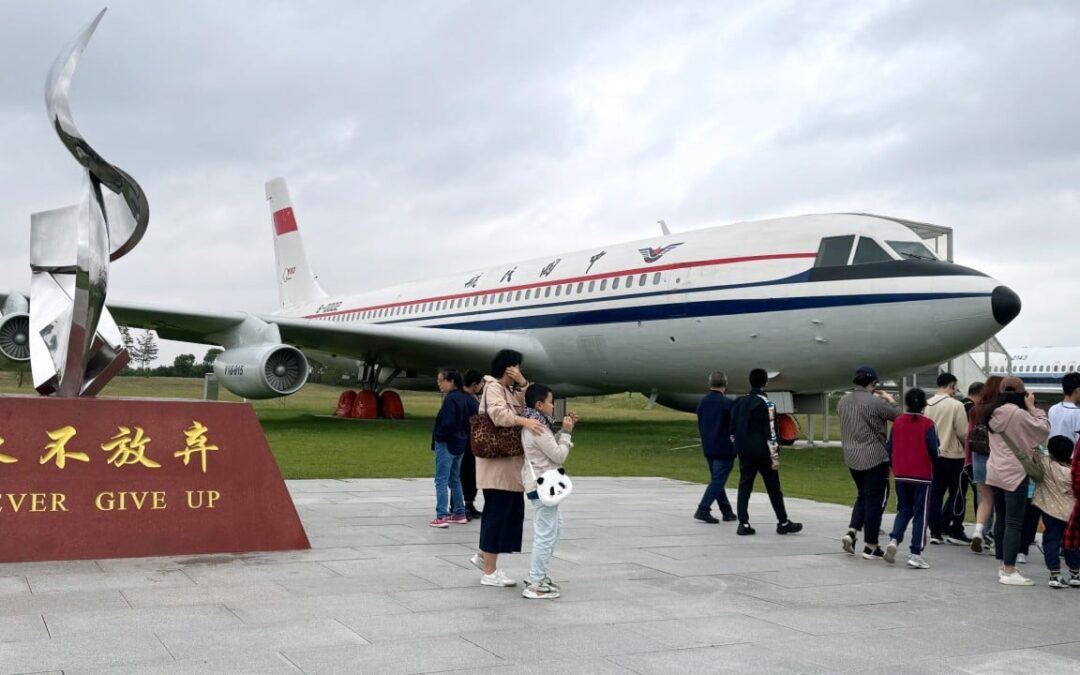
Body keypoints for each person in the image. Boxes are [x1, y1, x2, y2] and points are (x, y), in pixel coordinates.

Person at [471, 349, 544, 587]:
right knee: (497, 514)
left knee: (507, 514)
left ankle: (484, 557)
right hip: (497, 465)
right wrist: (524, 421)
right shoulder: (493, 388)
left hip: (509, 465)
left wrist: (523, 384)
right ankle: (489, 571)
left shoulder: (508, 389)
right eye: (517, 367)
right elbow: (499, 415)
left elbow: (529, 406)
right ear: (508, 368)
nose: (519, 371)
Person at [986, 376, 1049, 586]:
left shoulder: (991, 412)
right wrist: (1034, 408)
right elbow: (1042, 430)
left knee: (1001, 520)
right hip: (1015, 473)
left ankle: (1002, 564)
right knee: (1014, 521)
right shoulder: (1019, 414)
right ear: (1021, 394)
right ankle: (1010, 570)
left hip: (995, 471)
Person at [520, 383, 577, 600]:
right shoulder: (538, 428)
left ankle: (539, 575)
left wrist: (564, 430)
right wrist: (568, 435)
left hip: (540, 484)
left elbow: (548, 448)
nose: (553, 406)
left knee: (553, 528)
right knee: (546, 534)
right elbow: (558, 455)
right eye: (551, 402)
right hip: (542, 485)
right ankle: (535, 581)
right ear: (539, 404)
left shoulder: (536, 424)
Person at [837, 365, 899, 559]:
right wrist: (891, 401)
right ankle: (871, 545)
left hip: (851, 455)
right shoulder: (874, 402)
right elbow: (899, 417)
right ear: (873, 382)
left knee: (862, 495)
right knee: (875, 500)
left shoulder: (843, 401)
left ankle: (852, 530)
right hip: (874, 456)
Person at [731, 368, 802, 536]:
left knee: (745, 486)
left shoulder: (739, 402)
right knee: (773, 487)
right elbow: (771, 432)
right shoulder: (767, 404)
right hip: (762, 452)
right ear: (765, 383)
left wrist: (738, 447)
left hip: (744, 451)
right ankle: (782, 521)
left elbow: (732, 430)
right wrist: (775, 455)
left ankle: (743, 522)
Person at [884, 388, 939, 569]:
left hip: (901, 472)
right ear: (924, 404)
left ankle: (894, 539)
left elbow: (890, 446)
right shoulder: (928, 424)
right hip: (922, 474)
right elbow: (934, 449)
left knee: (904, 510)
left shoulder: (898, 422)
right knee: (921, 514)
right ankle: (915, 553)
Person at [924, 373, 971, 546]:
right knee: (958, 494)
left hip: (934, 455)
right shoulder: (956, 405)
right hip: (953, 455)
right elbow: (962, 432)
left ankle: (935, 531)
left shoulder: (928, 404)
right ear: (951, 385)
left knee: (936, 494)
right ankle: (955, 528)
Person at [1033, 436, 1080, 588]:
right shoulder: (1072, 471)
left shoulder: (1046, 463)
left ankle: (1055, 574)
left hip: (1050, 512)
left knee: (1051, 541)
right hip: (1071, 514)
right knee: (1071, 544)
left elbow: (1035, 450)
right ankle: (1075, 573)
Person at [430, 369, 472, 527]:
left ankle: (441, 515)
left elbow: (448, 422)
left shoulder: (450, 399)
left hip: (447, 443)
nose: (439, 384)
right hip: (460, 443)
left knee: (441, 479)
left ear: (451, 381)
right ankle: (459, 512)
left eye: (441, 380)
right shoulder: (464, 397)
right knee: (455, 479)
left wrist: (439, 437)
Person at [694, 371, 737, 524]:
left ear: (709, 383)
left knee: (717, 480)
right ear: (726, 384)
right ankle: (703, 509)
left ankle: (727, 512)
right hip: (724, 448)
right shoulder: (728, 404)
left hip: (709, 447)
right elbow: (734, 427)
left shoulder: (703, 402)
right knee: (718, 481)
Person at [968, 376, 1003, 553]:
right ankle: (995, 536)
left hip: (978, 456)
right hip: (997, 457)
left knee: (984, 498)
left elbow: (969, 434)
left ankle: (979, 531)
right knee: (1001, 501)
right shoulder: (1001, 410)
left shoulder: (976, 410)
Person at [462, 368, 485, 520]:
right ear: (475, 384)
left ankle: (468, 504)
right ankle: (460, 506)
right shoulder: (468, 400)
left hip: (470, 443)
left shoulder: (471, 398)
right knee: (465, 475)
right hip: (466, 444)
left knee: (470, 476)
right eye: (481, 383)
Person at [1048, 372, 1080, 444]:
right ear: (1077, 390)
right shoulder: (1077, 413)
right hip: (1071, 454)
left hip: (1054, 453)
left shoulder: (1052, 409)